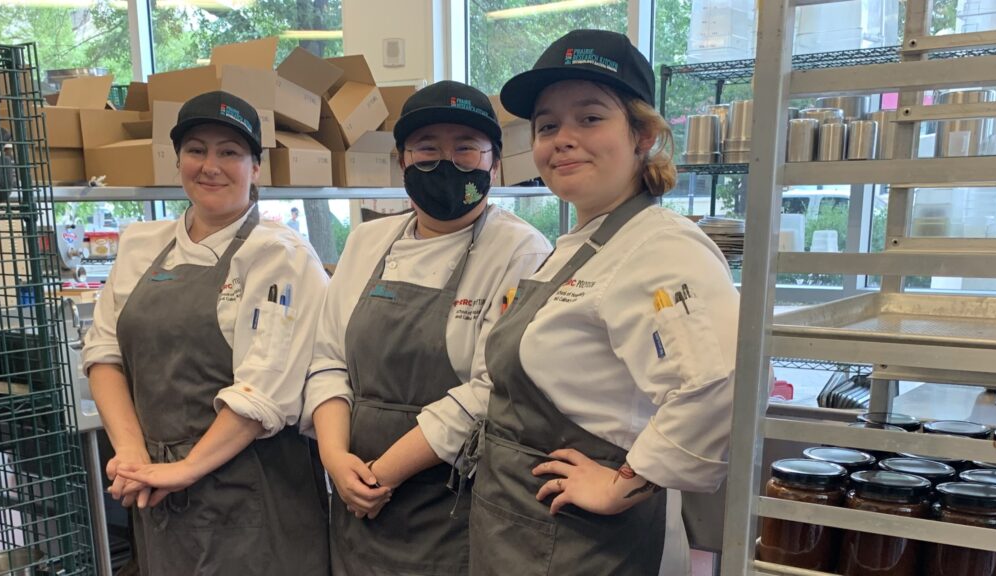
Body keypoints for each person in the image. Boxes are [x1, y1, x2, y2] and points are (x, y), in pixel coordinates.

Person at [469, 29, 739, 575]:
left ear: (642, 135)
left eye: (590, 118)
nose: (562, 139)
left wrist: (623, 485)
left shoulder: (660, 248)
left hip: (583, 544)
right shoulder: (581, 245)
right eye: (548, 126)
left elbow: (722, 382)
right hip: (522, 526)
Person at [303, 80, 552, 576]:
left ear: (494, 163)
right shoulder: (367, 242)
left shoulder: (522, 253)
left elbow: (491, 390)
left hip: (452, 504)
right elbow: (328, 359)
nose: (446, 162)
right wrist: (335, 458)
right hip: (356, 502)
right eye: (427, 149)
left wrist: (382, 475)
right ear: (402, 161)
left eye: (465, 148)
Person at [82, 91, 330, 575]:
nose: (210, 165)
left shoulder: (280, 256)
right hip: (159, 492)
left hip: (253, 495)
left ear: (256, 167)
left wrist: (184, 470)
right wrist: (132, 451)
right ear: (178, 160)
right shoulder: (141, 244)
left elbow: (264, 393)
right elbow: (105, 352)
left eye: (230, 152)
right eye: (196, 149)